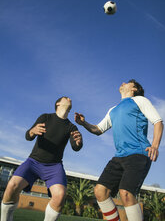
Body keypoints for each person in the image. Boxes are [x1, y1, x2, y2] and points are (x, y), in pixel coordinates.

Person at [75, 79, 163, 221]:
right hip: (119, 156)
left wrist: (155, 145)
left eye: (127, 83)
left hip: (138, 153)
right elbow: (98, 129)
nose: (123, 83)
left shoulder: (140, 100)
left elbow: (158, 121)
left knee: (126, 193)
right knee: (100, 191)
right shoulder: (113, 110)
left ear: (134, 89)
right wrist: (83, 123)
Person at [1, 96, 83, 221]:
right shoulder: (45, 117)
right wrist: (32, 131)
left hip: (54, 166)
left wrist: (79, 142)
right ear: (58, 104)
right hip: (33, 162)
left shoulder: (71, 127)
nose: (70, 98)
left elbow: (75, 147)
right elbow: (28, 136)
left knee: (60, 195)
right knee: (12, 185)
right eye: (66, 98)